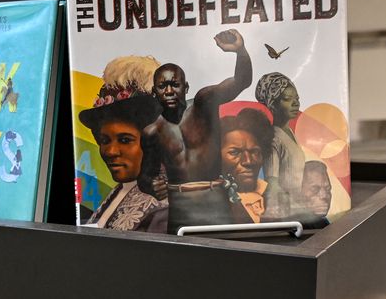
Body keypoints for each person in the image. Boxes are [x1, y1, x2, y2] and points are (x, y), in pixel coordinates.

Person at [141, 30, 253, 230]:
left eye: (174, 85)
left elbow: (241, 81)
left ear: (186, 87)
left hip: (215, 200)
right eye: (162, 86)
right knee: (183, 260)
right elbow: (145, 175)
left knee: (225, 257)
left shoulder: (204, 103)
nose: (168, 91)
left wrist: (240, 51)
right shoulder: (152, 132)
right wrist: (150, 185)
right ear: (153, 92)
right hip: (180, 206)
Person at [77, 55, 167, 232]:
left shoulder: (163, 209)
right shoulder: (122, 189)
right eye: (104, 140)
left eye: (125, 140)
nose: (110, 151)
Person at [254, 72, 308, 218]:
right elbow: (272, 184)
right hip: (286, 213)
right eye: (287, 99)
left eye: (297, 98)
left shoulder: (289, 132)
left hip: (296, 209)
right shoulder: (274, 137)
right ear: (273, 104)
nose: (295, 103)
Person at [218, 109, 274, 222]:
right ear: (216, 157)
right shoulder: (211, 201)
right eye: (235, 152)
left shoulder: (276, 194)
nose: (248, 161)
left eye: (254, 152)